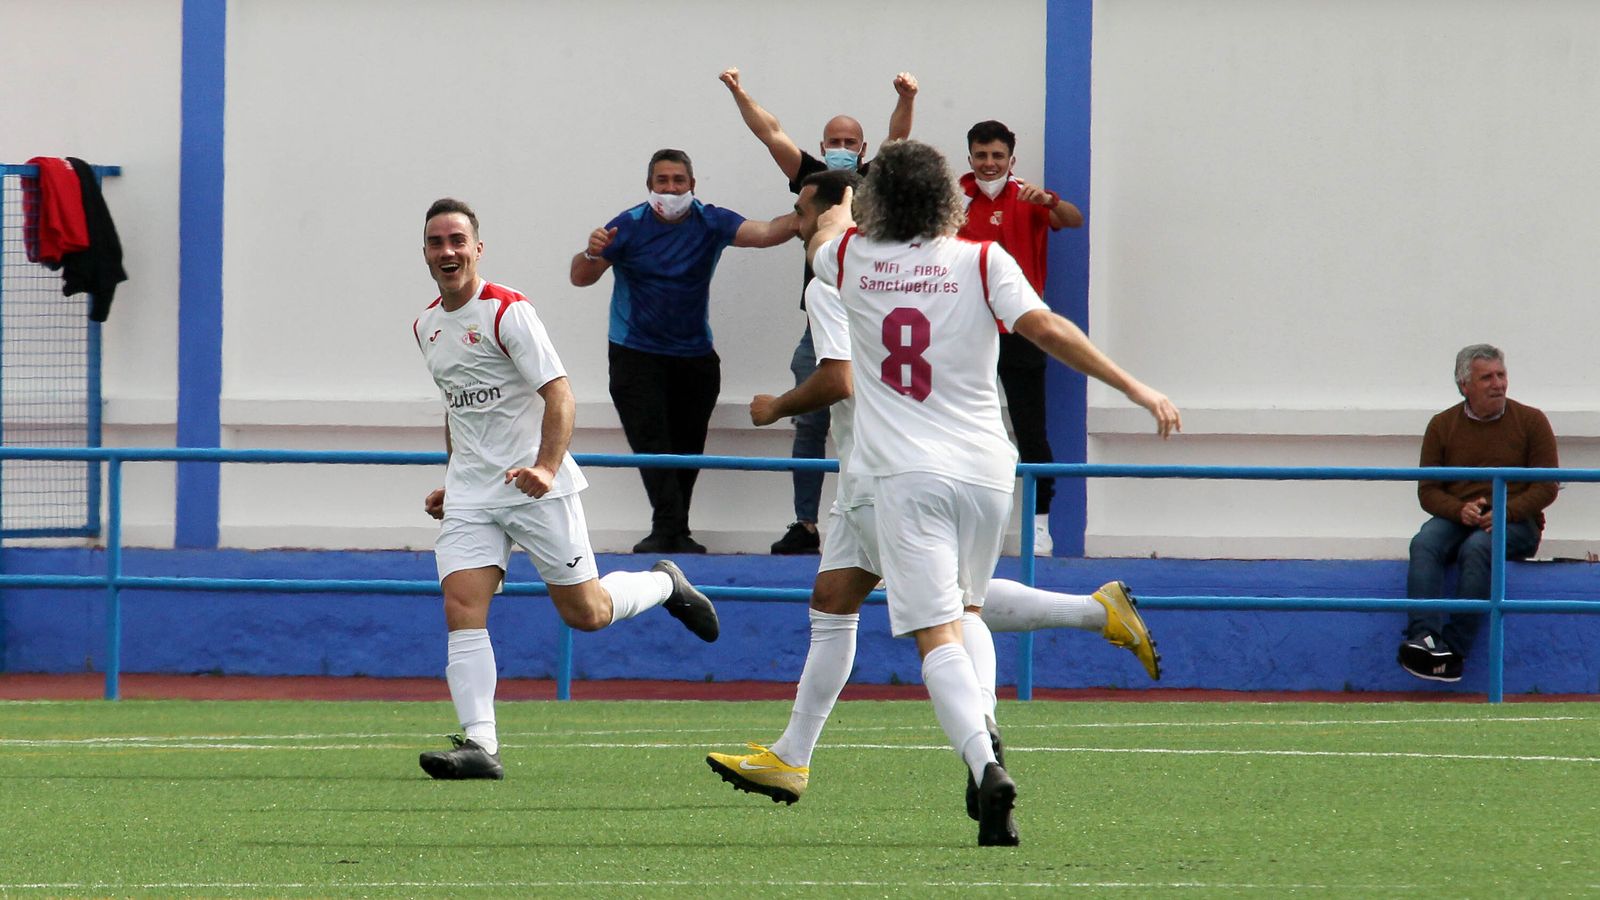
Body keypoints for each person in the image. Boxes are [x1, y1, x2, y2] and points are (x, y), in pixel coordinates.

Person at [733, 145, 1175, 846]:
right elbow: (1049, 330)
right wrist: (1136, 388)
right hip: (988, 470)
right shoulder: (982, 259)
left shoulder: (848, 260)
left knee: (937, 632)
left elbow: (822, 234)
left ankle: (983, 761)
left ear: (875, 203)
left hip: (905, 474)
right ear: (948, 197)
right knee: (966, 608)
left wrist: (845, 202)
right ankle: (1000, 708)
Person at [414, 198, 720, 780]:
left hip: (535, 488)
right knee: (462, 607)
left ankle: (663, 584)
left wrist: (547, 468)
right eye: (436, 242)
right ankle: (481, 745)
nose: (448, 251)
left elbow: (559, 393)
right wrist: (452, 479)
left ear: (478, 249)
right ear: (426, 253)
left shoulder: (508, 312)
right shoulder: (426, 325)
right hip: (474, 495)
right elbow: (458, 408)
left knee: (586, 613)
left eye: (458, 240)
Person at [718, 66, 918, 555]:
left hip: (875, 326)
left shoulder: (876, 179)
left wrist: (907, 96)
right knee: (810, 421)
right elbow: (770, 133)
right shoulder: (812, 180)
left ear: (863, 149)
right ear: (822, 143)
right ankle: (805, 524)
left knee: (880, 420)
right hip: (821, 321)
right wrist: (740, 92)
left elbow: (898, 135)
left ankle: (888, 518)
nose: (842, 145)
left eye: (850, 139)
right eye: (834, 139)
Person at [571, 149, 799, 554]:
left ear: (692, 185)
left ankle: (676, 531)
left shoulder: (710, 221)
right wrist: (591, 251)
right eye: (663, 181)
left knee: (688, 447)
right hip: (634, 353)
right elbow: (581, 277)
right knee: (652, 442)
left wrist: (813, 213)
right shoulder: (629, 225)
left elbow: (765, 233)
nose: (671, 188)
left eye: (679, 180)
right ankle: (667, 530)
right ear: (650, 187)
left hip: (695, 356)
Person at [957, 120, 1084, 556]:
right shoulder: (955, 204)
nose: (989, 163)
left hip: (1023, 330)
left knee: (1031, 430)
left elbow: (1073, 220)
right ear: (970, 157)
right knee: (963, 428)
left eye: (997, 156)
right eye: (981, 155)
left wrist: (1049, 199)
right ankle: (963, 526)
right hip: (967, 332)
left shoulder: (1029, 196)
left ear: (1011, 159)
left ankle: (1039, 524)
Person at [1399, 344, 1558, 682]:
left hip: (1517, 522)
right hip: (1460, 518)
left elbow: (1546, 487)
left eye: (1501, 375)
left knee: (1478, 548)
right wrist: (1460, 510)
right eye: (1487, 377)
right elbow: (1427, 491)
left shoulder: (1532, 421)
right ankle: (1424, 639)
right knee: (1424, 542)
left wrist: (1506, 511)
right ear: (1464, 385)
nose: (1498, 384)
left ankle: (1453, 652)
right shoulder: (1442, 425)